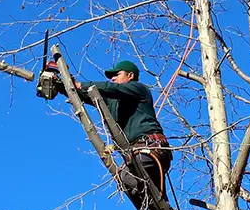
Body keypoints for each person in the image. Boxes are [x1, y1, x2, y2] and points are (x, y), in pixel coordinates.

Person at [57, 60, 172, 198]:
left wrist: (80, 84)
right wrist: (61, 86)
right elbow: (88, 95)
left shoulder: (139, 89)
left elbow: (111, 89)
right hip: (137, 154)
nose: (113, 78)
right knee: (151, 201)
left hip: (150, 148)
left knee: (126, 179)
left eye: (117, 74)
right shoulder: (113, 101)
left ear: (130, 75)